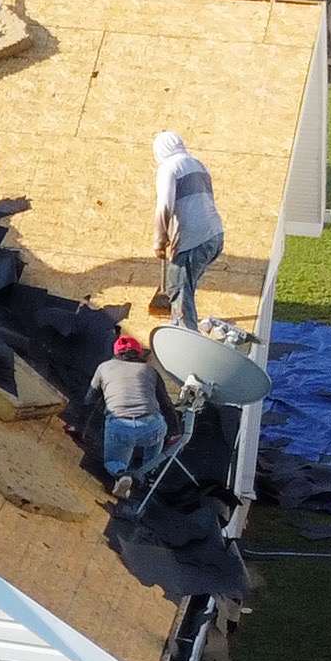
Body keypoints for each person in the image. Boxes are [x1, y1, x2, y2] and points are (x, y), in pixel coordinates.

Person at [151, 129, 222, 324]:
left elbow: (165, 205)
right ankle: (177, 327)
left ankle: (185, 333)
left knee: (178, 288)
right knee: (184, 288)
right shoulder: (198, 165)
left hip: (194, 239)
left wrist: (160, 240)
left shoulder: (169, 167)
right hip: (214, 236)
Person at [93, 332, 167, 498]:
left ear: (116, 353)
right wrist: (176, 431)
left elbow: (90, 397)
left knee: (113, 461)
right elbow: (165, 403)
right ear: (139, 353)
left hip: (121, 427)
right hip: (151, 429)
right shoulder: (150, 370)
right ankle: (148, 472)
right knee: (159, 424)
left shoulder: (104, 367)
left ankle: (121, 474)